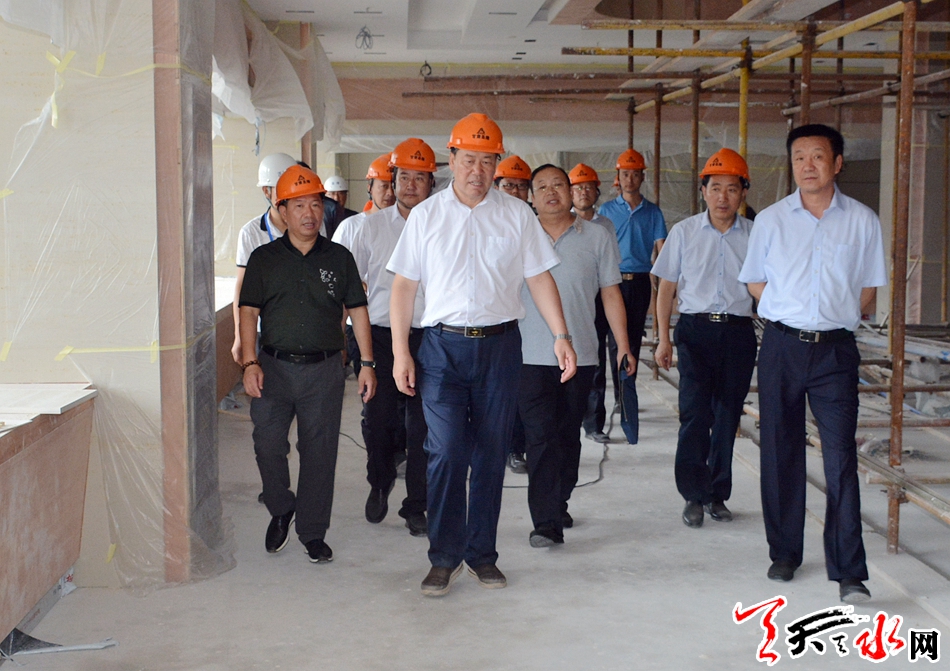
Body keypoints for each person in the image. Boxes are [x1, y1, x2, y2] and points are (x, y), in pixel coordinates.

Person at [388, 113, 577, 597]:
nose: (478, 171)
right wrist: (400, 353)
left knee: (492, 454)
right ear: (451, 159)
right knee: (447, 451)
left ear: (497, 163)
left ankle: (481, 555)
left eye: (487, 161)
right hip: (442, 350)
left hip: (500, 348)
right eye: (469, 160)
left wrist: (561, 334)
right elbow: (404, 286)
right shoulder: (427, 216)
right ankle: (443, 557)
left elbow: (538, 277)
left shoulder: (516, 215)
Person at [738, 124, 886, 604]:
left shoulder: (862, 220)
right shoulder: (772, 220)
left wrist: (831, 317)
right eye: (799, 156)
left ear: (837, 163)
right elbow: (755, 281)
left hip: (835, 352)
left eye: (818, 156)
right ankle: (784, 553)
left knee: (840, 457)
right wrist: (789, 311)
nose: (808, 165)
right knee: (779, 449)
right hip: (782, 347)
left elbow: (868, 289)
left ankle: (849, 570)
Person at [239, 165, 377, 564]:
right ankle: (282, 507)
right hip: (273, 367)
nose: (309, 214)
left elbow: (358, 310)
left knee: (319, 452)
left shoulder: (339, 258)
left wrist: (367, 363)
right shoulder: (263, 259)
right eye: (298, 205)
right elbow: (248, 312)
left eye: (316, 204)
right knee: (267, 443)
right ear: (282, 210)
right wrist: (249, 362)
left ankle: (313, 531)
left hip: (324, 370)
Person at [520, 164, 634, 547]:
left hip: (581, 354)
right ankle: (545, 522)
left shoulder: (598, 236)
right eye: (542, 187)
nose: (551, 192)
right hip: (528, 354)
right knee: (539, 437)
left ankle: (558, 499)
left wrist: (623, 346)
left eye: (558, 185)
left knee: (568, 435)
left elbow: (611, 293)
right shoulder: (520, 234)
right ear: (530, 196)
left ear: (571, 192)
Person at [652, 148, 757, 529]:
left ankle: (717, 494)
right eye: (715, 188)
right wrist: (663, 339)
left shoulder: (756, 235)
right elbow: (666, 288)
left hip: (738, 332)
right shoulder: (684, 232)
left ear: (743, 192)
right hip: (695, 331)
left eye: (731, 189)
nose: (722, 197)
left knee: (727, 416)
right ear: (703, 191)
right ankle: (693, 495)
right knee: (695, 414)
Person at [345, 138, 436, 537]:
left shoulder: (442, 225)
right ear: (392, 180)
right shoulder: (369, 227)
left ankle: (417, 504)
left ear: (432, 183)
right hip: (380, 337)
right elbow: (351, 292)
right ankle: (380, 481)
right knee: (379, 421)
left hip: (430, 338)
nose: (411, 185)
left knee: (424, 428)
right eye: (404, 177)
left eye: (420, 178)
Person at [598, 149, 666, 429]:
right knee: (615, 340)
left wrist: (665, 284)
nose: (629, 179)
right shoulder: (606, 211)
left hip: (639, 282)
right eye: (625, 174)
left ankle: (627, 391)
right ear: (618, 177)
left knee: (633, 339)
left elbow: (662, 250)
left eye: (635, 174)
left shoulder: (653, 212)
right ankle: (617, 396)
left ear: (642, 177)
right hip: (611, 281)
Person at [232, 152, 299, 364]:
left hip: (303, 327)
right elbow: (242, 286)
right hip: (264, 329)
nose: (288, 195)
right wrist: (239, 336)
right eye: (281, 189)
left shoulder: (310, 227)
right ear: (266, 191)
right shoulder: (251, 233)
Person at [333, 153, 395, 375]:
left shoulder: (411, 225)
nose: (390, 193)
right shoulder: (350, 227)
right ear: (370, 187)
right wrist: (338, 335)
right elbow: (338, 284)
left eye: (393, 185)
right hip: (363, 327)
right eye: (383, 186)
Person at [569, 163, 617, 444]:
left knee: (595, 361)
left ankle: (594, 424)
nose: (583, 192)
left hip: (597, 298)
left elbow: (610, 270)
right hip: (570, 298)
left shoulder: (605, 226)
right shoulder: (560, 221)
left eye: (588, 187)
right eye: (578, 188)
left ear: (597, 192)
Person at [492, 154, 533, 475]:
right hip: (494, 325)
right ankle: (501, 448)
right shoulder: (485, 220)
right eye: (509, 186)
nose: (515, 192)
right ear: (497, 186)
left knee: (521, 393)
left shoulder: (531, 222)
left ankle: (517, 448)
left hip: (530, 323)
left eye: (521, 186)